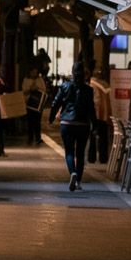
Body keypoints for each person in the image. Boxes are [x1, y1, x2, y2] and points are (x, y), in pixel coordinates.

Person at [49, 61, 96, 191]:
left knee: (69, 151)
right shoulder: (88, 90)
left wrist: (51, 117)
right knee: (80, 153)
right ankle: (79, 182)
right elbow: (91, 109)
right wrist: (95, 125)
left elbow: (55, 103)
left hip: (67, 124)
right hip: (83, 125)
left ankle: (73, 173)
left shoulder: (65, 86)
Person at [87, 67, 112, 164]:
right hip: (104, 114)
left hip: (95, 114)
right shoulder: (106, 85)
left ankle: (91, 157)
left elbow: (93, 101)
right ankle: (103, 158)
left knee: (92, 137)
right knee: (103, 138)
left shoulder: (91, 85)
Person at [20, 66, 47, 145]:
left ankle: (38, 138)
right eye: (33, 72)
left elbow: (44, 90)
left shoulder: (40, 80)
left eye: (36, 72)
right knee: (30, 122)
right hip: (29, 104)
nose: (34, 74)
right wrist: (30, 88)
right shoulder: (26, 80)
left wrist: (37, 88)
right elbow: (24, 90)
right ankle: (30, 138)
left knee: (37, 122)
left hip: (38, 104)